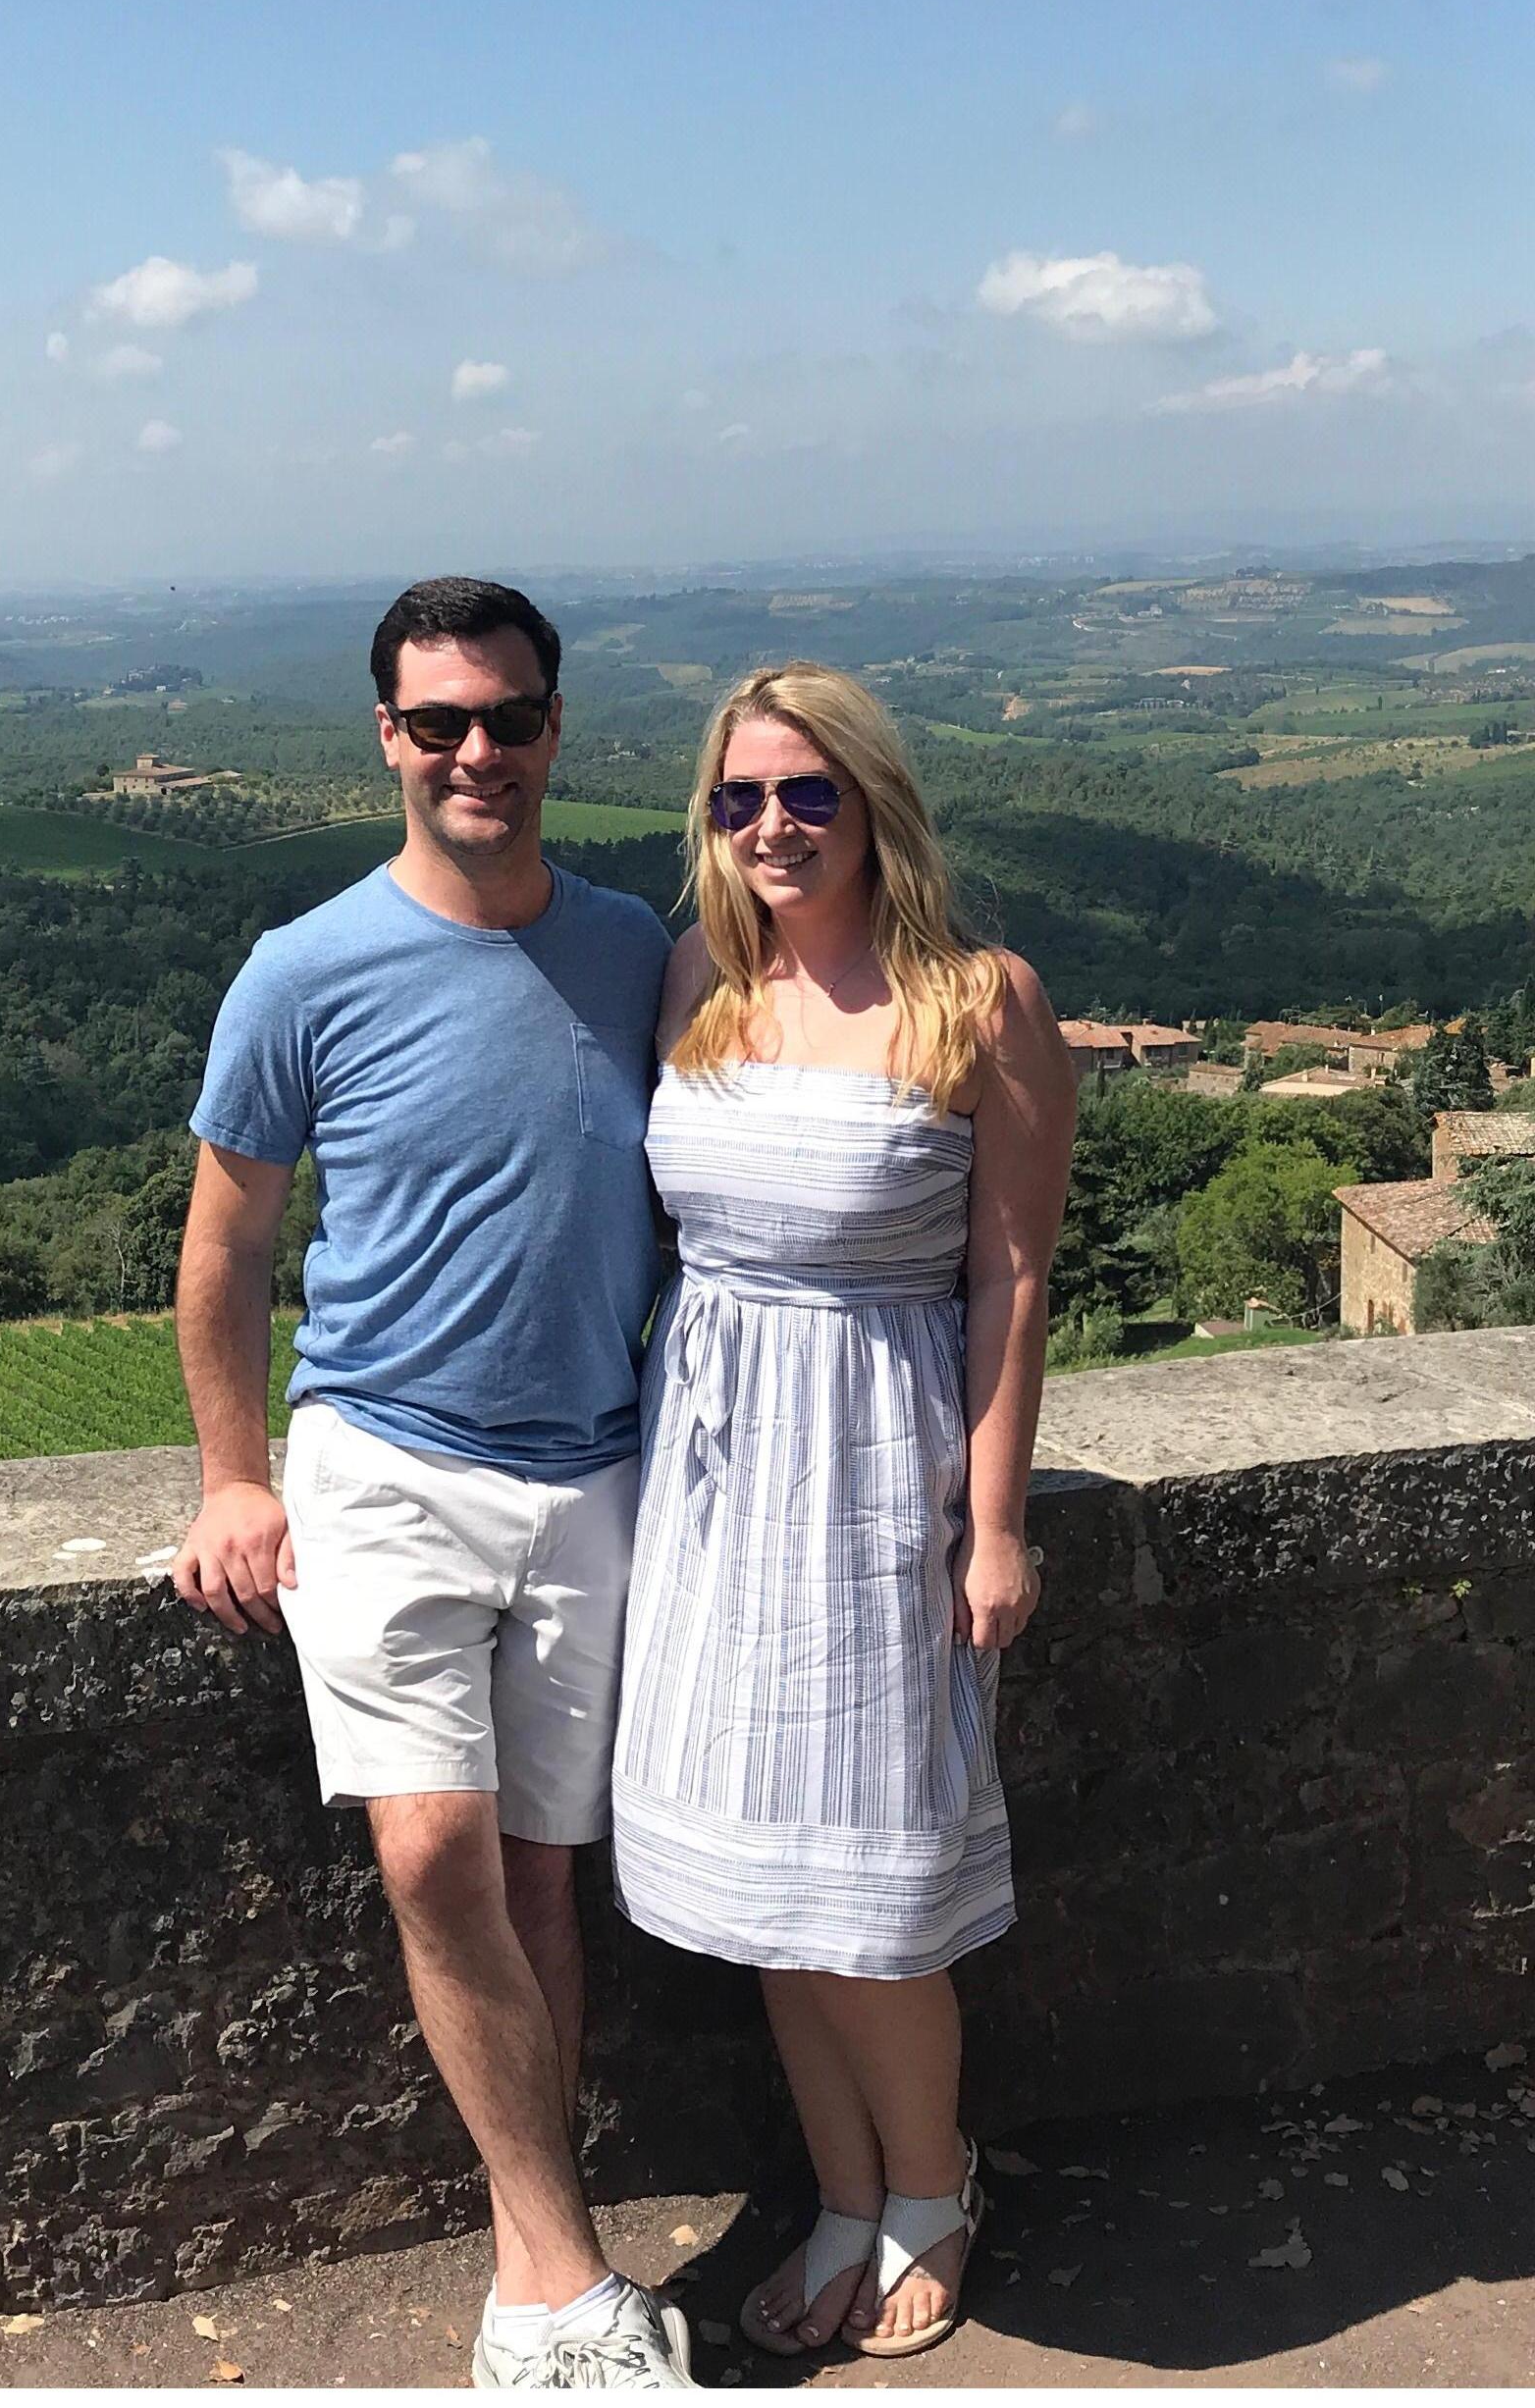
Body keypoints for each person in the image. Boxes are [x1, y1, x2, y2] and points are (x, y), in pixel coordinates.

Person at [171, 576, 692, 2390]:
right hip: (383, 1457)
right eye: (442, 722)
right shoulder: (302, 968)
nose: (481, 751)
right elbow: (226, 1247)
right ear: (388, 738)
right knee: (433, 1847)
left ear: (555, 729)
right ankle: (566, 2277)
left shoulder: (636, 951)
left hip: (593, 1471)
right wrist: (232, 1477)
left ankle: (534, 2274)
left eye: (511, 717)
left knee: (543, 1871)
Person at [608, 661, 1075, 2364]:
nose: (774, 826)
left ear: (875, 805)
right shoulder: (698, 979)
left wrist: (995, 1523)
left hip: (877, 1471)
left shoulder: (980, 1001)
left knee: (869, 1886)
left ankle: (933, 2190)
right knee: (764, 1876)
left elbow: (1011, 1280)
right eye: (739, 799)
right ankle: (844, 2195)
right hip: (712, 1480)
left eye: (809, 792)